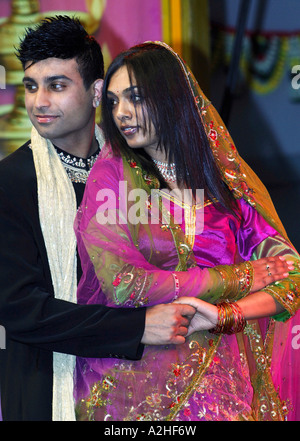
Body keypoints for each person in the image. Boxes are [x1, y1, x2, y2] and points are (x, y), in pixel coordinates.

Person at [73, 41, 300, 421]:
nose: (122, 113)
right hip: (138, 389)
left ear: (172, 99)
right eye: (112, 102)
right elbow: (127, 285)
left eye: (136, 97)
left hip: (228, 385)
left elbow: (291, 277)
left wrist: (225, 314)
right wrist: (239, 277)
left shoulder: (226, 187)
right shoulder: (112, 180)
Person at [0, 19, 197, 422]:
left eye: (57, 85)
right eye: (31, 86)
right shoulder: (11, 182)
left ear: (95, 93)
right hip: (47, 387)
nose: (39, 101)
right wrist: (136, 328)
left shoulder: (140, 172)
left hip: (146, 388)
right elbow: (20, 309)